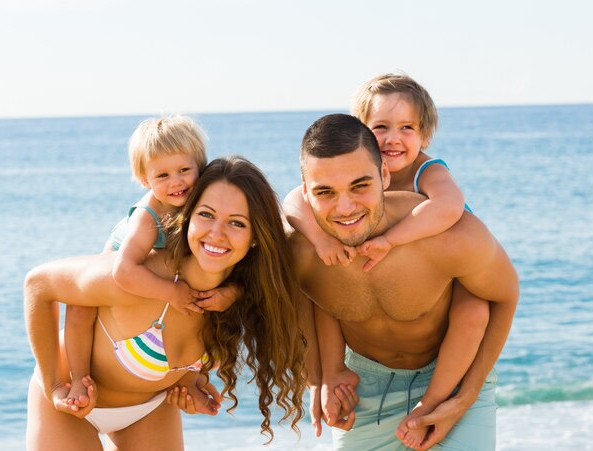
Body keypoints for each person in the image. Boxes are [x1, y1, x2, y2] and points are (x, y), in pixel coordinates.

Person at [25, 156, 307, 450]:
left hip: (149, 410)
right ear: (187, 217)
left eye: (236, 223)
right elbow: (37, 285)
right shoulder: (139, 278)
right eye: (206, 215)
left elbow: (298, 246)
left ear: (255, 237)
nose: (216, 233)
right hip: (71, 403)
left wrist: (186, 381)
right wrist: (54, 385)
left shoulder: (239, 294)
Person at [284, 74, 490, 448]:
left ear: (424, 135)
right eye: (381, 127)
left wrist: (390, 239)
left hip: (448, 284)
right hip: (373, 351)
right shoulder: (346, 184)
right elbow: (294, 201)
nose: (394, 138)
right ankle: (335, 370)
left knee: (474, 311)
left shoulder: (428, 171)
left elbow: (448, 206)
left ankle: (434, 402)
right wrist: (319, 238)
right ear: (359, 134)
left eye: (407, 128)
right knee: (330, 286)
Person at [63, 116, 238, 409]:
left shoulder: (204, 198)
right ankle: (80, 377)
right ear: (145, 180)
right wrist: (171, 292)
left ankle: (190, 378)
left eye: (184, 170)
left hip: (163, 269)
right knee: (80, 308)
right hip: (119, 267)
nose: (177, 182)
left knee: (204, 303)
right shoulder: (148, 216)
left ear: (201, 167)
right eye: (162, 176)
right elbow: (124, 270)